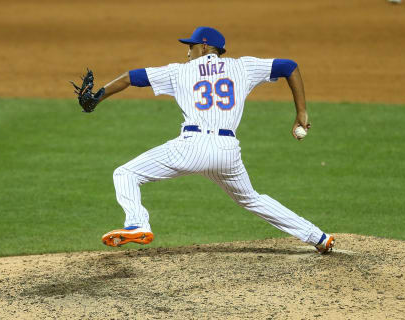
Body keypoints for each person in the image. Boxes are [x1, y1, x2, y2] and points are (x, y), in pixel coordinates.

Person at [94, 26, 335, 253]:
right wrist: (301, 112)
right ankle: (319, 238)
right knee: (251, 199)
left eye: (191, 46)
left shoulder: (179, 71)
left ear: (206, 47)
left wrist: (97, 97)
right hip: (227, 152)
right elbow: (289, 66)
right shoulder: (242, 67)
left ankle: (137, 225)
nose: (188, 52)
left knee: (126, 174)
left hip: (190, 148)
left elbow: (129, 77)